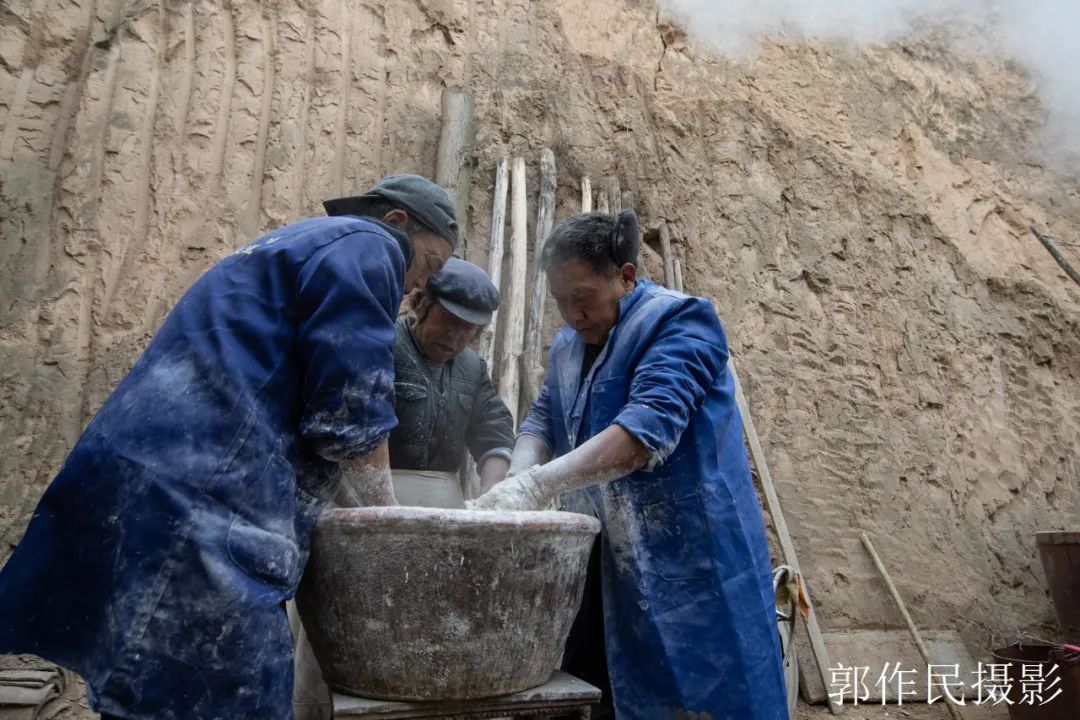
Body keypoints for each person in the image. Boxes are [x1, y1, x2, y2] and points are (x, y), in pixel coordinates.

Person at [0, 174, 458, 720]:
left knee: (143, 692)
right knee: (233, 700)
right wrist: (388, 526)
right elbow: (351, 407)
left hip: (136, 475)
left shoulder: (289, 244)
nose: (414, 286)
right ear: (399, 222)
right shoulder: (370, 243)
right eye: (426, 267)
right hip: (203, 500)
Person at [471, 210, 788, 720]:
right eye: (559, 301)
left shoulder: (679, 322)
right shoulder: (569, 346)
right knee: (607, 689)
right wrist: (514, 476)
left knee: (706, 697)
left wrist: (535, 487)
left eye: (582, 298)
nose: (572, 314)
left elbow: (644, 434)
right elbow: (544, 417)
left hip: (691, 564)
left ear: (625, 276)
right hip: (607, 562)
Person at [388, 257, 514, 505]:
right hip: (378, 497)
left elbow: (494, 431)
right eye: (447, 320)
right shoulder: (385, 347)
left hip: (444, 500)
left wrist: (491, 491)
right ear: (423, 304)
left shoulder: (472, 369)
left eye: (468, 328)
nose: (454, 336)